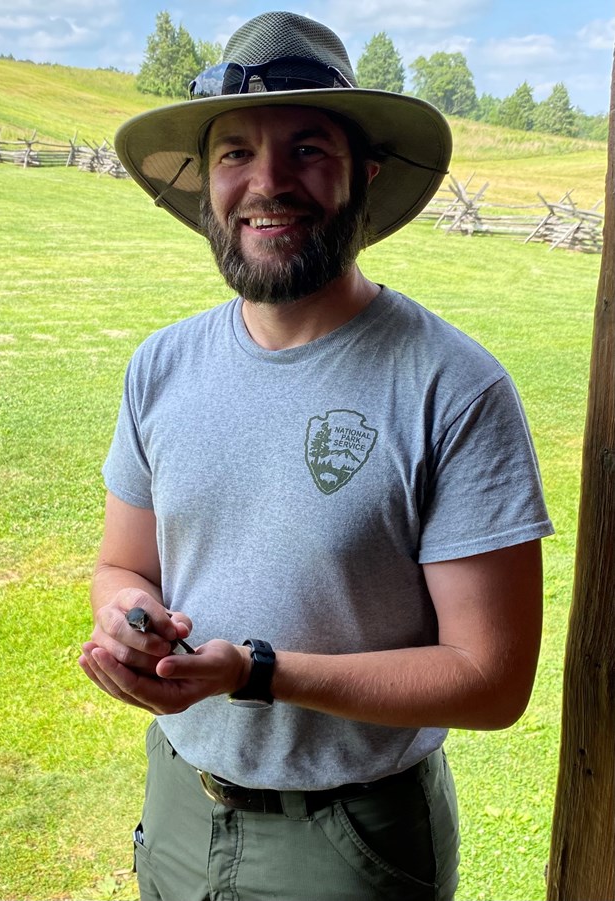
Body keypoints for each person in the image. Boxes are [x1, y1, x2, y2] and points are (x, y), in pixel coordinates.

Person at [79, 11, 554, 901]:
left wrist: (259, 671)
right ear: (208, 182)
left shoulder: (451, 385)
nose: (268, 183)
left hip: (350, 839)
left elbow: (490, 681)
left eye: (307, 150)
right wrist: (129, 619)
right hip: (180, 801)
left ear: (362, 178)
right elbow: (121, 563)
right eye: (235, 154)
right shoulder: (162, 364)